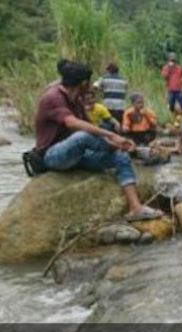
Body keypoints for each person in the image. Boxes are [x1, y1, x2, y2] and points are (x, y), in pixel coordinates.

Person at [35, 61, 163, 222]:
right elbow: (73, 124)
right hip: (53, 156)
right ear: (83, 83)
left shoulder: (76, 101)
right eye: (89, 83)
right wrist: (111, 135)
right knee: (83, 136)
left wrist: (118, 145)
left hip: (78, 155)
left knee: (120, 157)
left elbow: (90, 127)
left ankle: (135, 208)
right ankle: (137, 153)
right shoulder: (53, 97)